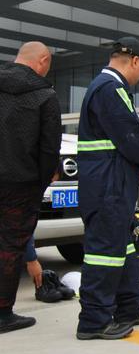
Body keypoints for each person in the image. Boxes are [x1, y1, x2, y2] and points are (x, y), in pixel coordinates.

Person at [76, 37, 139, 340]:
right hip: (108, 185)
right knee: (105, 253)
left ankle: (128, 308)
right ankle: (94, 322)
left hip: (111, 182)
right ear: (135, 61)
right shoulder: (111, 88)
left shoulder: (104, 86)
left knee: (122, 247)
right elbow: (130, 133)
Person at [0, 42, 61, 334]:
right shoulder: (44, 95)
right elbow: (50, 148)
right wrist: (43, 179)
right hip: (20, 185)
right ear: (43, 60)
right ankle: (2, 314)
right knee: (10, 247)